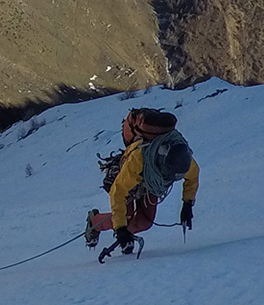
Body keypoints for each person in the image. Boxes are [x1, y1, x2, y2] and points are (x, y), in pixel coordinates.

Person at [84, 107, 199, 259]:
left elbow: (193, 177)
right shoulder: (139, 159)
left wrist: (187, 204)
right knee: (127, 216)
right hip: (128, 175)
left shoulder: (184, 161)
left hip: (150, 182)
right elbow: (118, 192)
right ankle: (94, 222)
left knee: (145, 222)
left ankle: (127, 235)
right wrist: (120, 228)